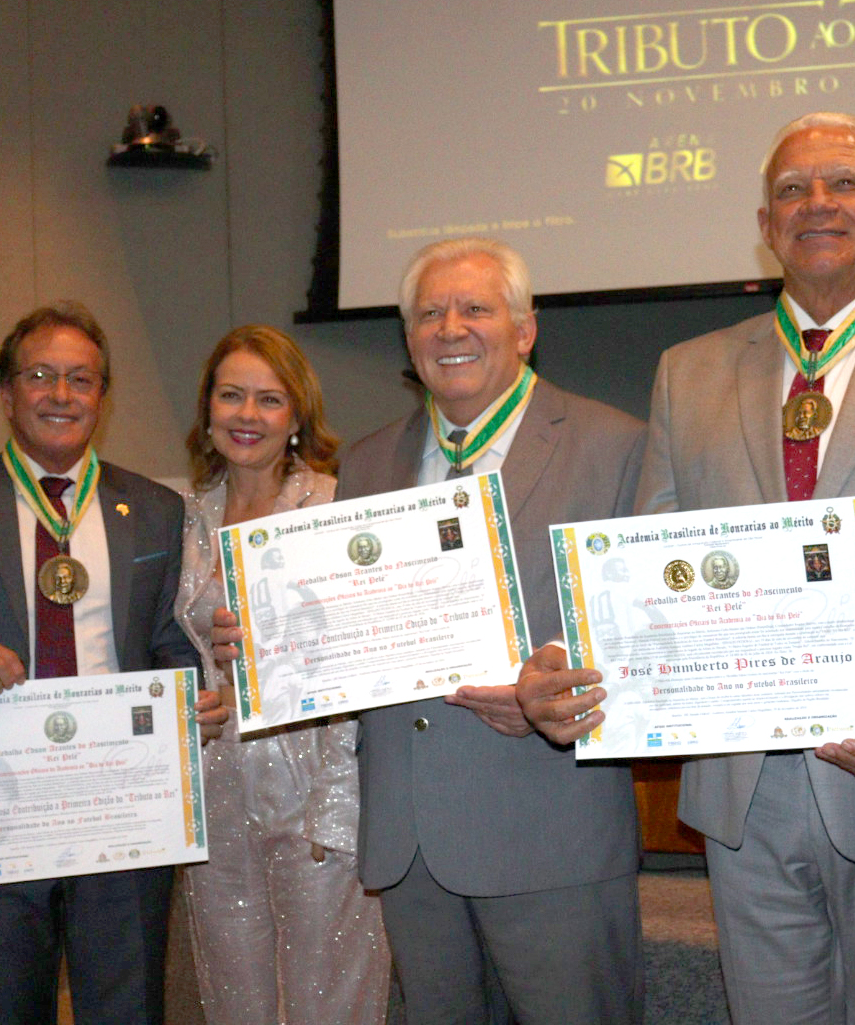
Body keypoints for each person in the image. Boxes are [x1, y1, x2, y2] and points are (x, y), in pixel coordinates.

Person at [517, 112, 855, 1024]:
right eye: (792, 189)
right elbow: (653, 568)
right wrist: (586, 662)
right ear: (765, 222)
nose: (817, 204)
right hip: (740, 785)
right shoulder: (688, 371)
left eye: (844, 184)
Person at [215, 238, 647, 1025]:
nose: (450, 327)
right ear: (409, 338)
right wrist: (272, 645)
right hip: (409, 841)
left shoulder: (613, 442)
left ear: (525, 330)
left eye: (475, 308)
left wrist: (554, 689)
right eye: (428, 313)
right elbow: (352, 623)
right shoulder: (373, 458)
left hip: (551, 830)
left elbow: (650, 634)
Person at [0, 302, 225, 1025]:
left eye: (81, 379)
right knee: (2, 1008)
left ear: (101, 396)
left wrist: (193, 695)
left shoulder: (153, 507)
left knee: (126, 1008)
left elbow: (168, 642)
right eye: (41, 375)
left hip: (119, 803)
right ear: (6, 393)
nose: (61, 394)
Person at [174, 325, 389, 1025]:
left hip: (314, 791)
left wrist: (338, 808)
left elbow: (367, 661)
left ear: (297, 416)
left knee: (329, 998)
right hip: (214, 792)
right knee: (235, 997)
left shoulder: (333, 506)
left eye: (269, 399)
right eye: (231, 395)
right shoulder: (183, 518)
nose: (247, 414)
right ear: (207, 408)